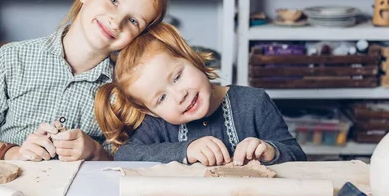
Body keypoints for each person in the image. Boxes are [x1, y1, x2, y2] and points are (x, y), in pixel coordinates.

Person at [0, 0, 167, 162]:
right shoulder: (12, 59)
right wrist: (15, 153)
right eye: (113, 0)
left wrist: (95, 152)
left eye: (133, 21)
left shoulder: (122, 95)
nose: (116, 21)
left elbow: (122, 164)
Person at [95, 22, 306, 165]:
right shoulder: (159, 123)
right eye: (161, 98)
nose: (180, 96)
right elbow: (125, 155)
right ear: (150, 111)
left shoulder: (254, 103)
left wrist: (270, 150)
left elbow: (298, 156)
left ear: (191, 58)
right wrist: (185, 151)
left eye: (177, 77)